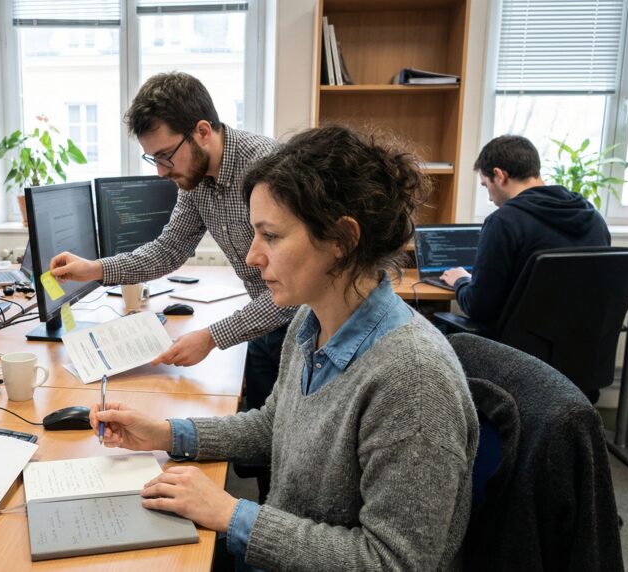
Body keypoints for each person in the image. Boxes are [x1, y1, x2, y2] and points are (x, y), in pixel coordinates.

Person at [88, 125, 479, 571]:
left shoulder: (414, 382)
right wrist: (166, 433)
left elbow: (393, 562)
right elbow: (275, 426)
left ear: (343, 240)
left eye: (270, 236)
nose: (253, 257)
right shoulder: (309, 323)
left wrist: (232, 514)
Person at [50, 71, 294, 412]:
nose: (161, 172)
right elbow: (169, 250)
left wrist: (211, 337)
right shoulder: (195, 178)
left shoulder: (265, 169)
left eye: (165, 156)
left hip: (304, 326)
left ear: (203, 132)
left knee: (281, 441)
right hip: (262, 320)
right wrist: (94, 269)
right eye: (153, 159)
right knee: (256, 434)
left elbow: (296, 292)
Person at [440, 135, 611, 331]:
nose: (489, 197)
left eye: (486, 185)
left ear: (499, 175)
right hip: (581, 346)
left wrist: (461, 280)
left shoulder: (503, 222)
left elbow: (479, 307)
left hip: (518, 353)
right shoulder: (593, 218)